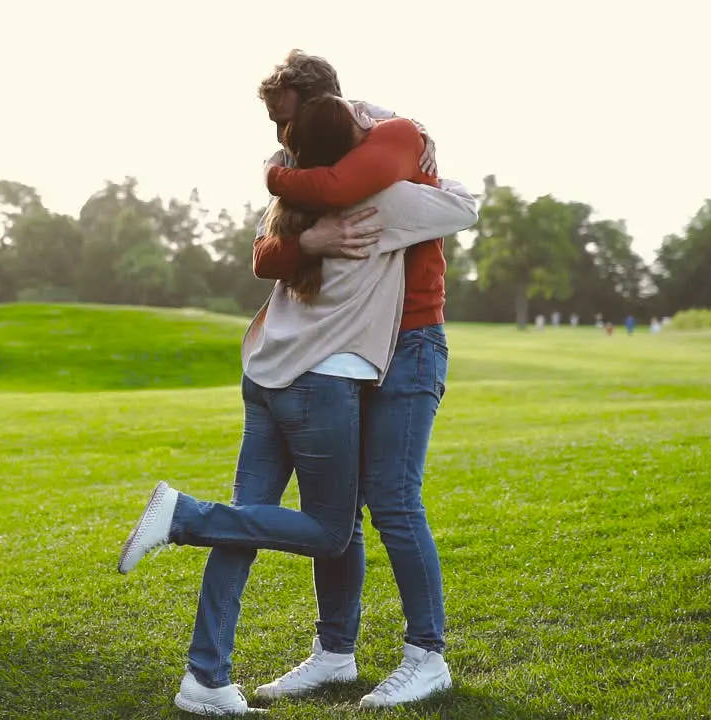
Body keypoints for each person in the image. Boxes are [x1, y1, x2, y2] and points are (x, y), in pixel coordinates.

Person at [117, 94, 478, 715]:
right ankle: (356, 651)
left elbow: (265, 255)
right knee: (342, 520)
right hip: (336, 366)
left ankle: (402, 655)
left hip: (332, 356)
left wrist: (290, 188)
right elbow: (464, 205)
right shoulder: (384, 197)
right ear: (356, 147)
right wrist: (426, 153)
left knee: (364, 504)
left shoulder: (293, 203)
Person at [248, 51, 463, 709]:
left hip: (410, 344)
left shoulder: (393, 143)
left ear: (318, 103)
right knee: (340, 511)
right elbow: (268, 256)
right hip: (347, 352)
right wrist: (305, 225)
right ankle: (335, 653)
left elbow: (352, 190)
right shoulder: (313, 165)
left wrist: (275, 176)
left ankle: (427, 656)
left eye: (288, 123)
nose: (282, 141)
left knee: (393, 499)